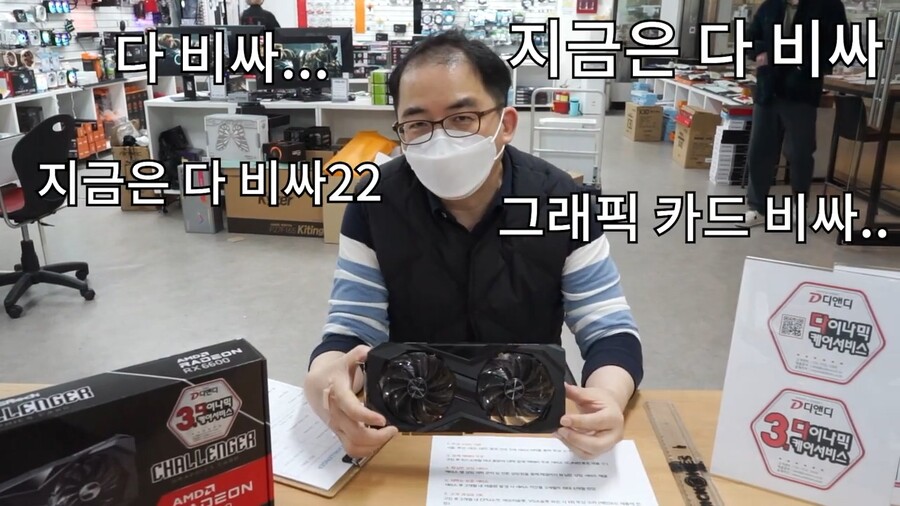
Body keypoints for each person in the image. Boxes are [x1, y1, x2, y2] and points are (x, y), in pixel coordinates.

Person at [302, 30, 643, 461]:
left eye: (462, 118)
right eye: (418, 124)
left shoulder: (560, 200)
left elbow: (607, 327)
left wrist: (608, 397)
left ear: (506, 125)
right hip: (410, 411)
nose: (440, 140)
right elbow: (352, 327)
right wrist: (326, 382)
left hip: (530, 412)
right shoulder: (374, 203)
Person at [739, 0, 848, 228]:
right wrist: (759, 53)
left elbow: (840, 43)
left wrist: (808, 66)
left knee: (800, 152)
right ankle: (757, 207)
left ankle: (799, 207)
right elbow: (750, 37)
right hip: (768, 88)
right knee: (760, 150)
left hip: (802, 91)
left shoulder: (828, 6)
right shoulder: (771, 5)